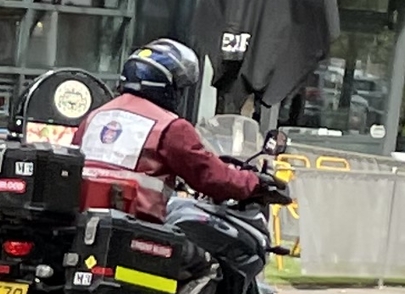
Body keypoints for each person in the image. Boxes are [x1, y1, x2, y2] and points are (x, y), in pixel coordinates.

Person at [75, 39, 269, 220]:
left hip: (82, 220)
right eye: (179, 88)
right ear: (165, 85)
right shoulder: (169, 126)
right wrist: (255, 183)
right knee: (199, 250)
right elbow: (211, 177)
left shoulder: (96, 116)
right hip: (138, 227)